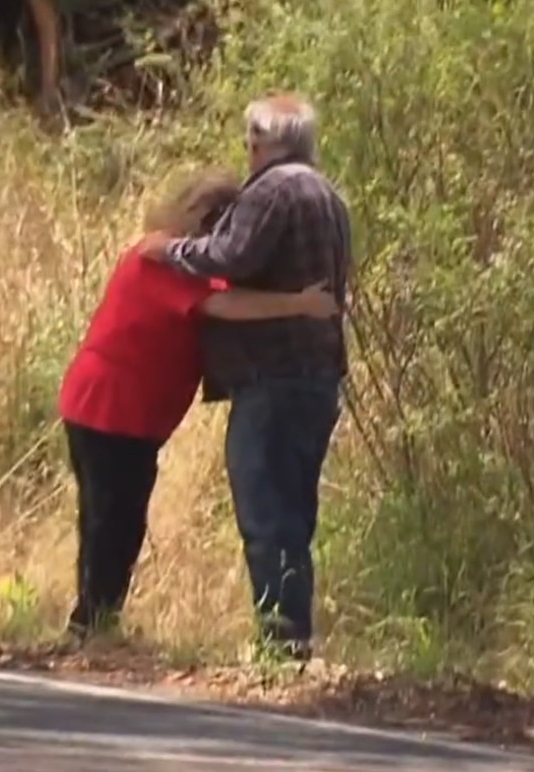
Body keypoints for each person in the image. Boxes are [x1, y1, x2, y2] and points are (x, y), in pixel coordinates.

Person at [57, 168, 341, 642]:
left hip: (130, 414)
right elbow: (227, 308)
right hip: (109, 406)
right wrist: (299, 304)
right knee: (111, 517)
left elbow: (229, 298)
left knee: (118, 517)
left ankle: (95, 620)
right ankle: (89, 623)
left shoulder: (185, 267)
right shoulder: (162, 260)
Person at [137, 94, 352, 661]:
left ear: (267, 141)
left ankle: (281, 645)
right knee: (294, 512)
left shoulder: (275, 189)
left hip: (272, 376)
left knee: (264, 510)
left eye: (253, 140)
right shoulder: (330, 196)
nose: (249, 151)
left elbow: (230, 256)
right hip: (320, 376)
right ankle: (293, 637)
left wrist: (168, 250)